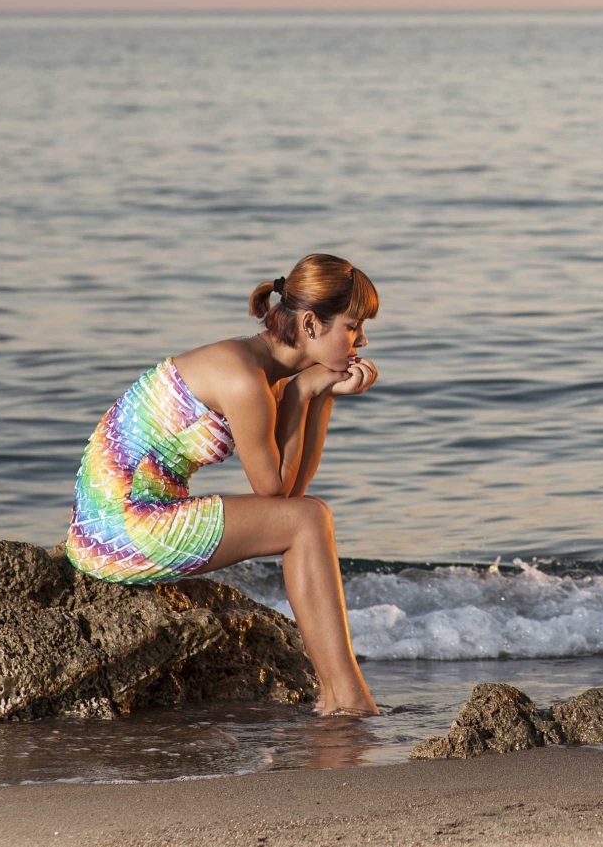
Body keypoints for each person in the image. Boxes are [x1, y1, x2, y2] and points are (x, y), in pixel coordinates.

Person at [65, 252, 382, 715]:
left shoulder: (266, 370)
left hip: (132, 519)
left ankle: (340, 696)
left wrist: (319, 394)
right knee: (309, 520)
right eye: (353, 326)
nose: (362, 339)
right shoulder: (244, 378)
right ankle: (346, 699)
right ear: (311, 323)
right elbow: (275, 494)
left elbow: (288, 491)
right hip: (116, 529)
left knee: (309, 516)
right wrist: (303, 391)